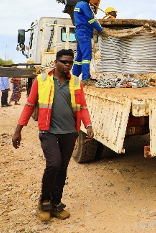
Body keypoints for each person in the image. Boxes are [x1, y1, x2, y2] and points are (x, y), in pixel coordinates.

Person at [10, 49, 95, 222]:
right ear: (56, 62)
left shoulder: (76, 82)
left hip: (70, 132)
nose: (68, 65)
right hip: (48, 131)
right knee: (54, 164)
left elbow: (83, 107)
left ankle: (56, 204)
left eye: (70, 62)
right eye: (64, 61)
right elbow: (29, 105)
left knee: (62, 168)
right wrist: (18, 130)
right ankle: (44, 201)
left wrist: (88, 125)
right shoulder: (41, 80)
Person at [70, 0, 108, 82]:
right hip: (84, 33)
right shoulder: (84, 5)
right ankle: (86, 78)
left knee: (79, 56)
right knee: (86, 56)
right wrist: (101, 30)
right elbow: (90, 20)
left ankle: (74, 77)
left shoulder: (78, 5)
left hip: (79, 33)